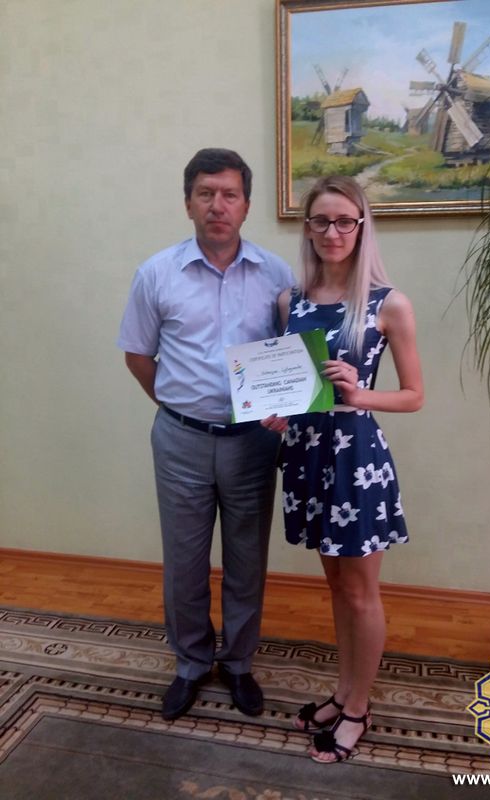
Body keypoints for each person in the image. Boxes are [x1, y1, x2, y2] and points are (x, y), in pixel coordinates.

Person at [118, 148, 295, 721]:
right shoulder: (156, 273)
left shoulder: (277, 275)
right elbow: (138, 355)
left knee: (246, 557)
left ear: (246, 205)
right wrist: (182, 408)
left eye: (229, 195)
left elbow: (292, 357)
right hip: (181, 441)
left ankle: (238, 663)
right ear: (188, 202)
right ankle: (191, 663)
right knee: (185, 561)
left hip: (252, 443)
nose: (218, 205)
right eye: (206, 194)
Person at [264, 175, 424, 763]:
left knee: (361, 592)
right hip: (307, 455)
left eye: (344, 221)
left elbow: (413, 395)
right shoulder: (290, 301)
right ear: (307, 228)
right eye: (321, 221)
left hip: (356, 460)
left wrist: (360, 395)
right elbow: (290, 383)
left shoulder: (388, 303)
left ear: (361, 227)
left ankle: (358, 707)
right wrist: (277, 411)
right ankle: (343, 691)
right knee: (337, 586)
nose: (332, 232)